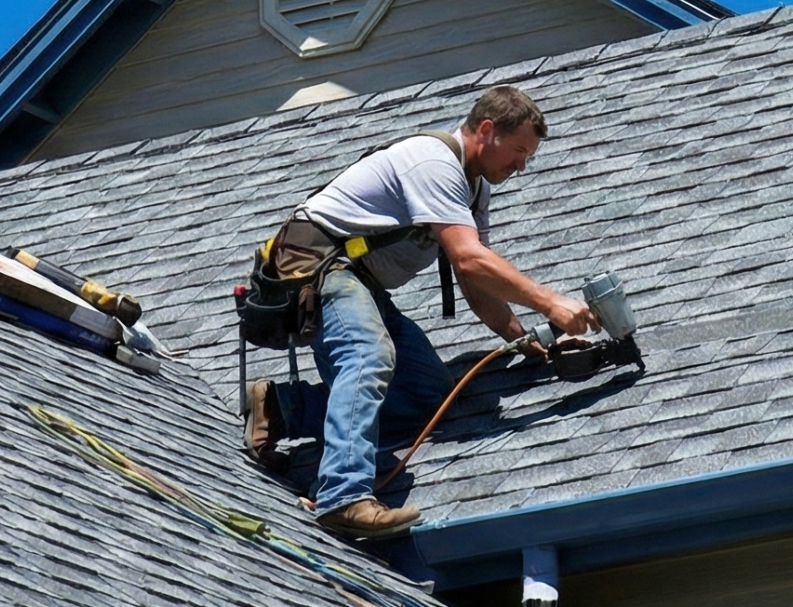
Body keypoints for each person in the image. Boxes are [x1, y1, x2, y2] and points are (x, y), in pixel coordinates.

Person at [243, 85, 598, 540]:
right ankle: (342, 497)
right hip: (318, 268)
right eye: (518, 152)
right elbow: (470, 259)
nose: (521, 166)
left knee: (428, 394)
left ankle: (281, 408)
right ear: (487, 131)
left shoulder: (472, 190)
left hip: (359, 282)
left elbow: (476, 281)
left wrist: (526, 340)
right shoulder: (433, 163)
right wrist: (551, 302)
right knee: (368, 357)